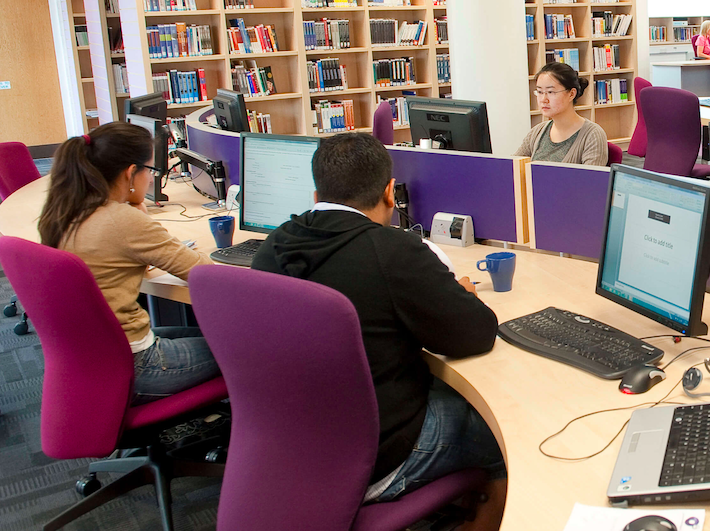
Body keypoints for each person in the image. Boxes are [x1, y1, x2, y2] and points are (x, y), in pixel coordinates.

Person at [250, 133, 506, 522]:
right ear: (390, 193)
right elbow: (475, 335)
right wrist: (463, 297)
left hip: (294, 449)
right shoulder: (392, 251)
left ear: (317, 195)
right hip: (376, 458)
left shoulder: (274, 246)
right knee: (503, 433)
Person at [37, 122, 218, 405]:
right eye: (151, 170)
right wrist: (139, 218)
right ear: (130, 172)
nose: (151, 179)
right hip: (137, 364)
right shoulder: (121, 220)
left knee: (212, 335)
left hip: (92, 359)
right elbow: (205, 275)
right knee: (249, 347)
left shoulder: (65, 208)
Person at [513, 61, 609, 165]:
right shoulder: (537, 132)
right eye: (540, 92)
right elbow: (511, 167)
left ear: (571, 94)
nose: (543, 99)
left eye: (550, 92)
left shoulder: (592, 135)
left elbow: (590, 175)